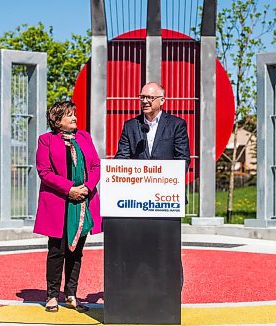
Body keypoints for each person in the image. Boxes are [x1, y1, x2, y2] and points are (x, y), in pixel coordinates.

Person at [114, 82, 190, 287]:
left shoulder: (177, 125)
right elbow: (121, 158)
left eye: (150, 97)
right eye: (142, 97)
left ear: (162, 101)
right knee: (138, 246)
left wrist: (160, 181)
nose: (145, 101)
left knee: (166, 246)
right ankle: (140, 288)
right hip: (136, 200)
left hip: (166, 199)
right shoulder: (130, 126)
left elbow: (183, 160)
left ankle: (172, 289)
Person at [34, 101, 102, 313]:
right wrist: (70, 188)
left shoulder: (85, 137)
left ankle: (71, 294)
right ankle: (52, 296)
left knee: (76, 252)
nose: (74, 118)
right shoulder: (45, 140)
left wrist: (87, 188)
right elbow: (44, 172)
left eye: (74, 114)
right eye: (69, 115)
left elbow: (95, 165)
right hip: (58, 204)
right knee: (57, 251)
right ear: (57, 120)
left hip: (83, 202)